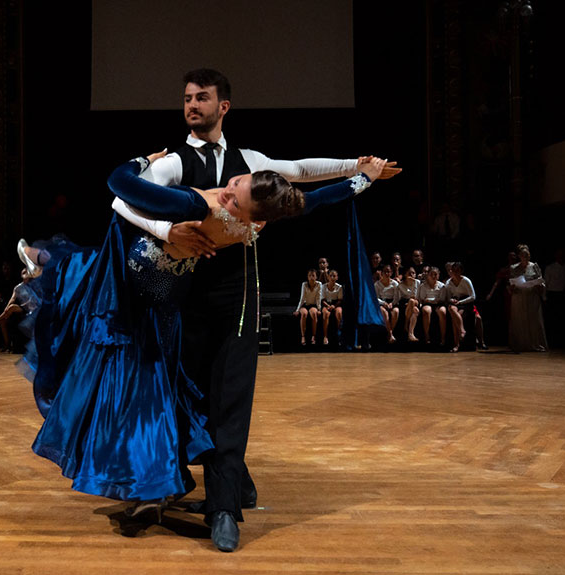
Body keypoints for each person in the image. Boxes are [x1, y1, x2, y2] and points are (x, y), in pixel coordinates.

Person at [23, 153, 387, 552]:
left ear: (249, 215)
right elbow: (315, 197)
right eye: (236, 183)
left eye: (234, 198)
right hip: (164, 306)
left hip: (134, 295)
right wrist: (363, 178)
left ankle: (154, 483)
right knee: (157, 393)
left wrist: (142, 164)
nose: (227, 189)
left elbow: (118, 186)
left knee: (116, 360)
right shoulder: (261, 219)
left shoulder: (195, 205)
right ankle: (171, 483)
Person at [127, 68, 397, 552]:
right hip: (180, 301)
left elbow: (301, 172)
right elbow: (125, 203)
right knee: (191, 400)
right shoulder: (170, 164)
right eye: (187, 98)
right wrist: (167, 233)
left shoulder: (247, 162)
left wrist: (358, 168)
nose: (192, 105)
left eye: (202, 98)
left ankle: (225, 507)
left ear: (222, 107)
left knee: (230, 401)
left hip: (237, 300)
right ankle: (221, 484)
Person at [508, 244, 548, 352]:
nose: (524, 258)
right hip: (519, 296)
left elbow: (540, 279)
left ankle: (535, 344)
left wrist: (539, 285)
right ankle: (520, 344)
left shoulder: (534, 266)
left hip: (531, 295)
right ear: (519, 256)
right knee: (519, 320)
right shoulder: (514, 267)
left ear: (529, 256)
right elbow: (511, 281)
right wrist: (512, 286)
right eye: (522, 256)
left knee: (533, 320)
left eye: (526, 256)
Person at [445, 262, 476, 352]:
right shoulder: (449, 282)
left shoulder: (466, 280)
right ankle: (462, 330)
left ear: (461, 271)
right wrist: (452, 300)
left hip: (466, 302)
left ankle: (457, 344)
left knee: (456, 317)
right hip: (456, 302)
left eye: (458, 270)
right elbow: (448, 297)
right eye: (454, 270)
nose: (455, 272)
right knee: (451, 309)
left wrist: (461, 302)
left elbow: (473, 296)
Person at [418, 266, 447, 345]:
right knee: (426, 310)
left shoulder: (442, 286)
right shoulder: (423, 286)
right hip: (427, 304)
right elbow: (422, 299)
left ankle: (443, 337)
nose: (434, 276)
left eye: (436, 274)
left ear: (438, 275)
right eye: (431, 274)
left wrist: (431, 300)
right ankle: (427, 335)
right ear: (428, 275)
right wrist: (432, 300)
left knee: (443, 311)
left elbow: (441, 299)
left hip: (439, 304)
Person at [293, 269, 322, 345]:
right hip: (305, 305)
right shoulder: (304, 284)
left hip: (313, 305)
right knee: (304, 314)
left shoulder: (319, 284)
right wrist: (297, 309)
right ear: (307, 277)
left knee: (314, 313)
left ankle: (313, 336)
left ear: (316, 277)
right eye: (309, 275)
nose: (311, 277)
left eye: (313, 275)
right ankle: (303, 336)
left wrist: (319, 309)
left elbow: (318, 298)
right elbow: (302, 298)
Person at [374, 263, 400, 343]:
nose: (387, 274)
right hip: (382, 302)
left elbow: (397, 296)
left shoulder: (395, 284)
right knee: (384, 312)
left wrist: (392, 303)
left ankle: (390, 332)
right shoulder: (377, 284)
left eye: (389, 272)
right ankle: (390, 334)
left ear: (391, 273)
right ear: (381, 273)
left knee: (396, 311)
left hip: (392, 302)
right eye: (385, 272)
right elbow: (376, 297)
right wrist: (383, 303)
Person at [320, 269, 344, 346]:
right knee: (326, 314)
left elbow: (340, 300)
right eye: (331, 276)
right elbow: (322, 299)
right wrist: (328, 306)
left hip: (336, 304)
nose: (332, 277)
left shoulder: (339, 287)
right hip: (326, 304)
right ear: (328, 277)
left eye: (334, 276)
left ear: (337, 277)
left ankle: (340, 336)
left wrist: (334, 306)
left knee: (339, 313)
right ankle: (325, 336)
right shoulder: (323, 286)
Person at [397, 266, 421, 342]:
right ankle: (411, 334)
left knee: (412, 302)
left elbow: (416, 296)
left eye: (413, 273)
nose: (411, 274)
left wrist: (413, 283)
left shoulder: (417, 282)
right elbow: (402, 297)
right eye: (409, 273)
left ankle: (406, 324)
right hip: (404, 304)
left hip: (415, 302)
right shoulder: (401, 284)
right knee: (415, 310)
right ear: (405, 274)